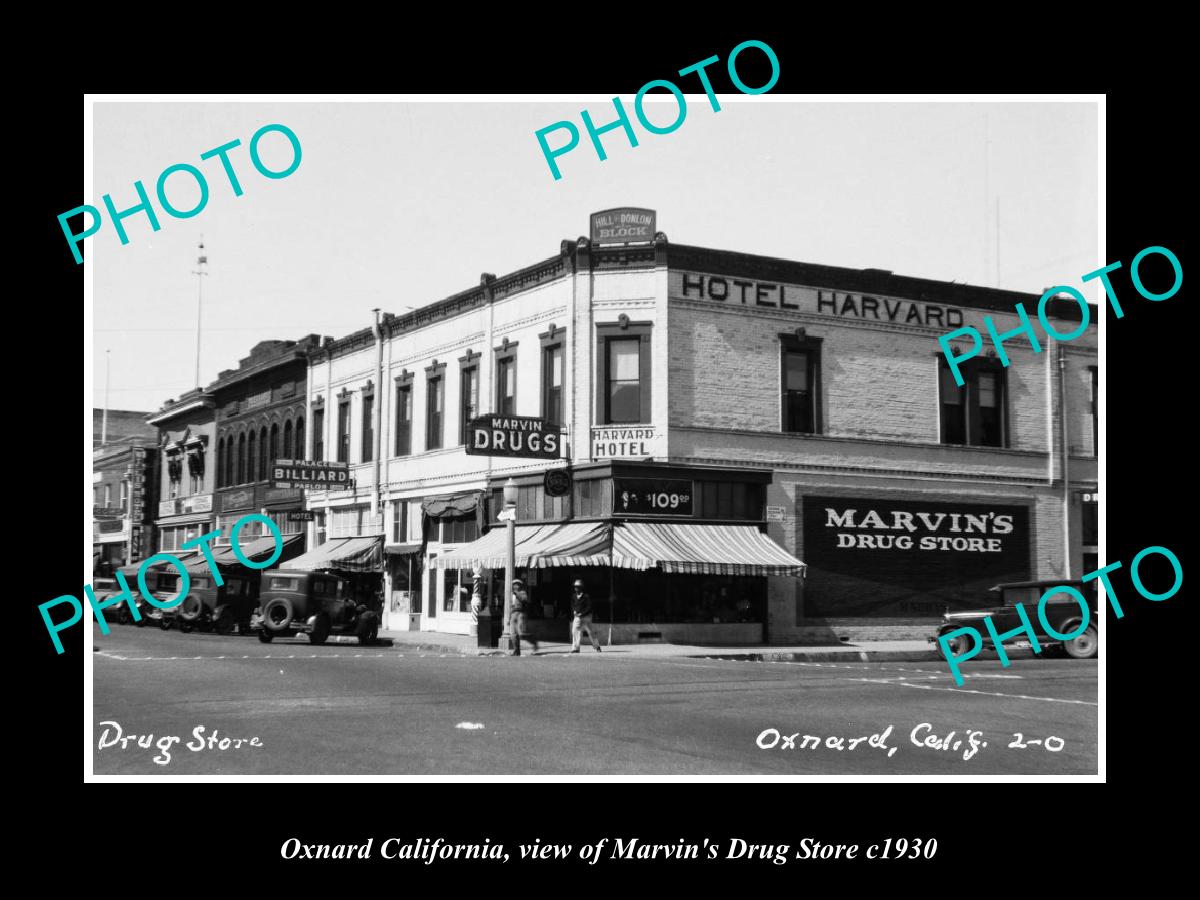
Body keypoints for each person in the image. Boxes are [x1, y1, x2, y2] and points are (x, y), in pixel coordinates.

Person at [569, 579, 601, 653]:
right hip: (577, 617)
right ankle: (575, 648)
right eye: (575, 587)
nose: (576, 588)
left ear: (581, 587)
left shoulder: (586, 596)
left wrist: (582, 613)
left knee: (590, 632)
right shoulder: (574, 596)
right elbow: (572, 605)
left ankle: (596, 646)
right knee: (574, 631)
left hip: (586, 617)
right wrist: (574, 611)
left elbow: (589, 607)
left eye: (577, 587)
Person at [509, 578, 538, 656]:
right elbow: (510, 606)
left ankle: (533, 641)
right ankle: (516, 650)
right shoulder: (511, 594)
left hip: (520, 613)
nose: (516, 586)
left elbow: (524, 599)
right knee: (513, 634)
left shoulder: (523, 592)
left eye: (517, 584)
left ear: (520, 585)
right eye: (514, 585)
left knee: (521, 633)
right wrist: (509, 617)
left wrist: (516, 593)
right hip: (513, 614)